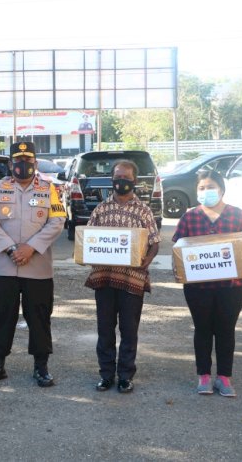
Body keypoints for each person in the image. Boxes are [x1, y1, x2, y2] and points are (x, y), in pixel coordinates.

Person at [0, 142, 66, 388]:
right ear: (10, 164)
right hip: (4, 266)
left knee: (39, 318)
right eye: (18, 160)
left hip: (37, 268)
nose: (22, 165)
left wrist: (31, 247)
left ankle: (41, 367)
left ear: (35, 164)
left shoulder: (49, 190)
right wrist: (11, 248)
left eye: (28, 161)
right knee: (1, 317)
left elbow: (57, 221)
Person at [172, 170, 242, 397]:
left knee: (225, 330)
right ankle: (203, 376)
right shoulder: (189, 218)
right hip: (197, 288)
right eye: (201, 188)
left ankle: (224, 377)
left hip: (231, 287)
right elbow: (178, 249)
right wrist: (178, 268)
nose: (205, 191)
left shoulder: (238, 216)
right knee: (202, 329)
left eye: (210, 186)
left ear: (221, 189)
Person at [85, 160, 160, 393]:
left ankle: (125, 375)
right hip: (104, 278)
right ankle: (106, 375)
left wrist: (145, 262)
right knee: (105, 329)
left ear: (135, 181)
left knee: (129, 330)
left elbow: (155, 243)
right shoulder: (100, 209)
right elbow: (86, 240)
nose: (122, 182)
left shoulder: (144, 211)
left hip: (132, 279)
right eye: (118, 177)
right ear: (112, 179)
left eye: (127, 178)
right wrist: (87, 252)